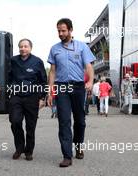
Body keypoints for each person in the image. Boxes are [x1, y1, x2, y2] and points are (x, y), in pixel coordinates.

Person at [47, 18, 95, 167]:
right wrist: (50, 91)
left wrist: (90, 81)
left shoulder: (81, 47)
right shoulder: (54, 49)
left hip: (78, 87)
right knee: (64, 121)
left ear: (70, 30)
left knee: (80, 121)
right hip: (61, 88)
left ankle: (79, 145)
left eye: (63, 30)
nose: (60, 33)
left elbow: (88, 66)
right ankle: (67, 156)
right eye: (58, 31)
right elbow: (53, 72)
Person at [8, 38, 47, 161]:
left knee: (31, 126)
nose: (23, 49)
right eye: (21, 46)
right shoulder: (13, 60)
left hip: (32, 97)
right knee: (15, 121)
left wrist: (42, 98)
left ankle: (29, 151)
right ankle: (19, 148)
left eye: (25, 46)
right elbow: (8, 77)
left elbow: (43, 81)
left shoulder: (37, 62)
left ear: (30, 48)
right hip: (16, 96)